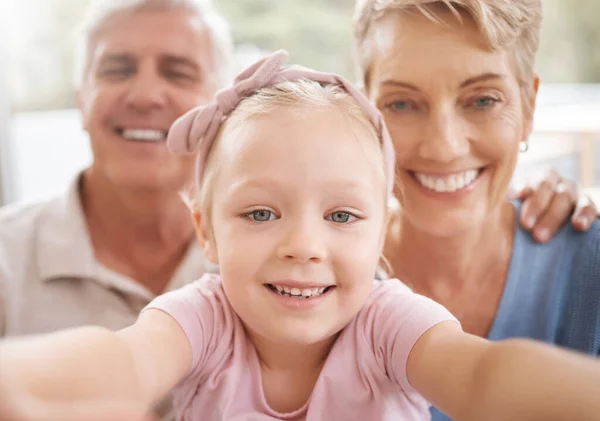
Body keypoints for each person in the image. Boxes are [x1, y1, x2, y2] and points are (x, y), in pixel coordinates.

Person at [2, 50, 600, 421]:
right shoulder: (203, 320)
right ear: (206, 232)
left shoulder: (387, 321)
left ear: (380, 230)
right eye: (261, 214)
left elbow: (484, 378)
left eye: (342, 217)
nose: (304, 246)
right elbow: (119, 362)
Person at [352, 1, 600, 419]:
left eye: (482, 100)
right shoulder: (307, 280)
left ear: (528, 107)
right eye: (402, 103)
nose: (444, 146)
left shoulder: (590, 266)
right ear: (364, 114)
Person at [0, 0, 234, 337]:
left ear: (220, 109)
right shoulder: (8, 260)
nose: (145, 95)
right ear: (82, 100)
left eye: (178, 73)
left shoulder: (274, 259)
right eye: (118, 70)